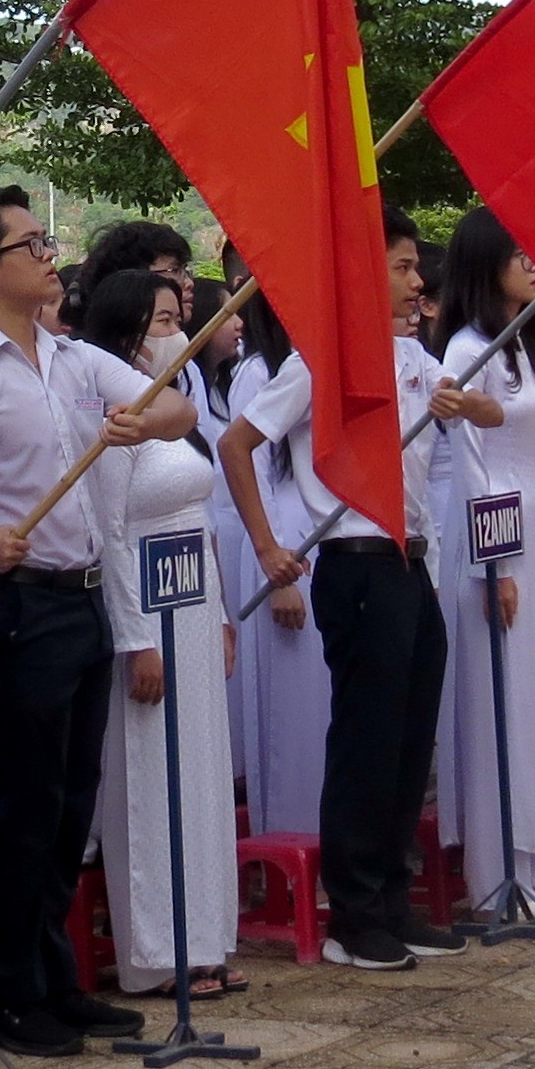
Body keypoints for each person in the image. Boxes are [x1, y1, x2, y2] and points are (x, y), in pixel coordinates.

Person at [0, 188, 195, 1056]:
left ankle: (56, 978)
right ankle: (11, 990)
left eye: (46, 240)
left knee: (72, 802)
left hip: (84, 594)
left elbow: (175, 409)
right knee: (21, 802)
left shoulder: (73, 361)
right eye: (28, 243)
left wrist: (145, 418)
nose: (48, 254)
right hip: (19, 603)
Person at [219, 209, 476, 974]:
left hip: (410, 560)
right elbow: (238, 442)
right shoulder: (317, 362)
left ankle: (394, 899)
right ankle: (354, 911)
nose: (416, 281)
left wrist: (462, 404)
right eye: (400, 267)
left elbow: (475, 408)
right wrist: (268, 545)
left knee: (408, 738)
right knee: (365, 739)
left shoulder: (409, 358)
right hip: (354, 563)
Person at [430, 213, 535, 922]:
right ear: (486, 264)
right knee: (504, 705)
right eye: (520, 254)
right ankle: (501, 877)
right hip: (492, 538)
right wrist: (495, 569)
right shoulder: (467, 349)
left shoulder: (530, 343)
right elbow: (468, 466)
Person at [85, 268, 239, 998]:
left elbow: (201, 523)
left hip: (195, 605)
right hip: (145, 612)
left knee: (200, 769)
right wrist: (134, 637)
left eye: (180, 318)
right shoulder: (113, 412)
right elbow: (111, 532)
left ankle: (206, 936)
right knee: (150, 775)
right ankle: (155, 948)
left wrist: (220, 611)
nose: (175, 332)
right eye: (159, 321)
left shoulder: (179, 410)